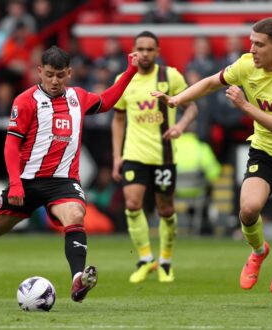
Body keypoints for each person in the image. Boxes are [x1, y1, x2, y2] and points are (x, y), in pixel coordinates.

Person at [152, 17, 272, 309]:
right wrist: (177, 100)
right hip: (265, 153)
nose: (251, 49)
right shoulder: (246, 65)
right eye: (251, 43)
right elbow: (210, 83)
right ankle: (258, 251)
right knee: (248, 208)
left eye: (259, 44)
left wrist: (244, 106)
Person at [0, 46, 139, 303]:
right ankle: (22, 208)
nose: (54, 81)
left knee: (76, 215)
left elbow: (107, 101)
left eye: (60, 75)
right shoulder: (24, 101)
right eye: (49, 75)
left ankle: (78, 280)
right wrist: (14, 184)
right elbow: (11, 144)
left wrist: (130, 71)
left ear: (69, 73)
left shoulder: (77, 97)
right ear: (39, 72)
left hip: (63, 182)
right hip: (26, 182)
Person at [111, 31, 198, 284]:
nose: (145, 54)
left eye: (150, 49)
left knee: (166, 209)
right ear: (133, 50)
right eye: (141, 49)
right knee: (132, 204)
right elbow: (117, 119)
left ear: (157, 52)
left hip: (163, 155)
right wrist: (117, 156)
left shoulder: (169, 76)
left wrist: (180, 126)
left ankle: (166, 261)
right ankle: (145, 259)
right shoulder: (123, 79)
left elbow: (192, 107)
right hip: (134, 154)